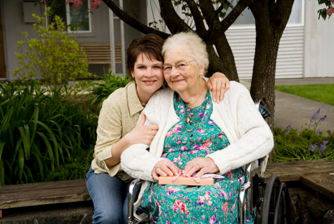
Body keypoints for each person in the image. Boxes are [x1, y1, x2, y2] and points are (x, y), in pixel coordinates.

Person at [120, 32, 274, 223]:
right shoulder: (160, 102)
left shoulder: (231, 93)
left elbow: (262, 137)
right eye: (168, 67)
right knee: (172, 199)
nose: (174, 72)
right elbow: (130, 153)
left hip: (221, 180)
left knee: (206, 201)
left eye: (181, 65)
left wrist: (215, 161)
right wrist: (153, 165)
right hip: (169, 184)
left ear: (201, 66)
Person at [85, 33, 230, 224]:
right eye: (141, 67)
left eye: (157, 67)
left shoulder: (174, 93)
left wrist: (217, 76)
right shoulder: (116, 103)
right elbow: (102, 159)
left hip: (148, 173)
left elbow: (196, 78)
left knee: (136, 212)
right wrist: (130, 139)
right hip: (112, 172)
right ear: (132, 71)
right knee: (109, 217)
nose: (149, 74)